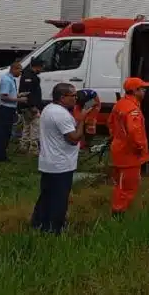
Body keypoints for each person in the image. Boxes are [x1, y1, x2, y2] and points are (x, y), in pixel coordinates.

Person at [31, 83, 99, 234]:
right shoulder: (61, 114)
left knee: (47, 196)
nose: (76, 98)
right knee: (59, 199)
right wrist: (81, 119)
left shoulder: (49, 108)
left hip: (49, 162)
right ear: (62, 98)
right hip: (61, 164)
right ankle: (55, 229)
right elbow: (73, 138)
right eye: (73, 96)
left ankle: (38, 223)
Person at [108, 77, 149, 217]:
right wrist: (139, 148)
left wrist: (118, 139)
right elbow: (135, 131)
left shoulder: (120, 104)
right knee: (128, 186)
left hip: (119, 150)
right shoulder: (133, 109)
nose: (145, 91)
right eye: (142, 89)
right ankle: (119, 214)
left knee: (121, 184)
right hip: (129, 154)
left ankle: (119, 210)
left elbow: (110, 123)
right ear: (135, 91)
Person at [0, 61, 27, 162]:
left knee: (7, 132)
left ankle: (3, 153)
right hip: (5, 109)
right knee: (3, 133)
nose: (20, 73)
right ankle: (0, 156)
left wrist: (18, 95)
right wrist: (19, 100)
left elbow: (9, 94)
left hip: (9, 109)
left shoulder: (11, 79)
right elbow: (4, 97)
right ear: (14, 69)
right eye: (19, 71)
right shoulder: (6, 80)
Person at [18, 60, 44, 155]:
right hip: (30, 106)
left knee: (27, 126)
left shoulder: (26, 75)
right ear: (37, 67)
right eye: (41, 67)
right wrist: (33, 106)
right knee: (35, 126)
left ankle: (23, 146)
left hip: (25, 106)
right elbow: (29, 93)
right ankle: (33, 149)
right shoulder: (30, 77)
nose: (42, 69)